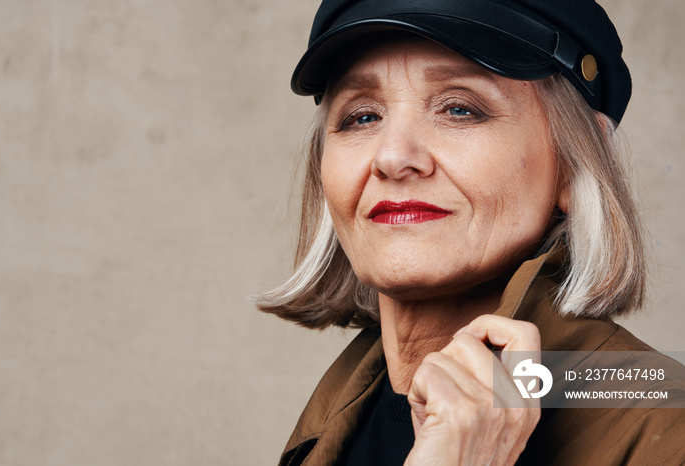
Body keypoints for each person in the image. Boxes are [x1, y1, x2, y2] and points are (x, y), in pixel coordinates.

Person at [258, 0, 685, 464]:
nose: (393, 157)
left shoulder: (665, 425)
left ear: (573, 165)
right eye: (362, 117)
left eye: (459, 109)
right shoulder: (341, 412)